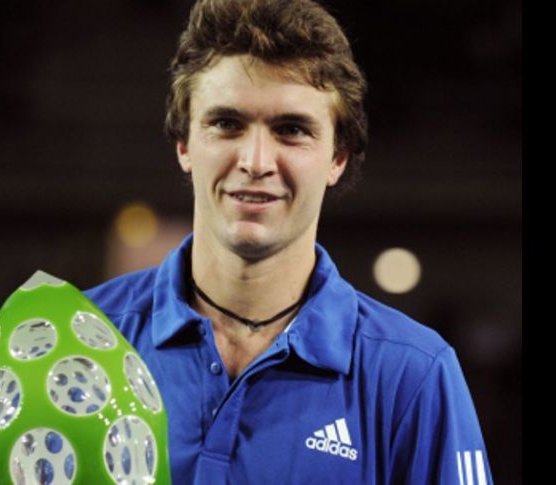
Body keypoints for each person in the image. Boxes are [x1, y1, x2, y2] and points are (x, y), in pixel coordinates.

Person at [85, 0, 493, 483]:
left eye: (292, 130)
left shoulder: (413, 375)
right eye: (227, 123)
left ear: (337, 157)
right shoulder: (84, 341)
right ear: (184, 144)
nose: (256, 160)